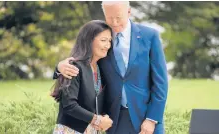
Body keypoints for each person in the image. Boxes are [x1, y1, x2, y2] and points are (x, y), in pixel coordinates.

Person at [54, 1, 168, 134]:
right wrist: (59, 68)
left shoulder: (150, 36)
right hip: (115, 119)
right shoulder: (101, 36)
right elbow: (81, 60)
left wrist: (152, 119)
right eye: (109, 17)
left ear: (129, 12)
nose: (114, 22)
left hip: (146, 117)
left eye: (118, 17)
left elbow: (161, 82)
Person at [51, 20, 113, 134]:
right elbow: (69, 105)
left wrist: (105, 118)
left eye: (109, 40)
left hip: (92, 130)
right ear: (89, 40)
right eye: (103, 40)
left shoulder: (100, 68)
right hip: (71, 130)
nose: (108, 45)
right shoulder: (74, 66)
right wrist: (97, 120)